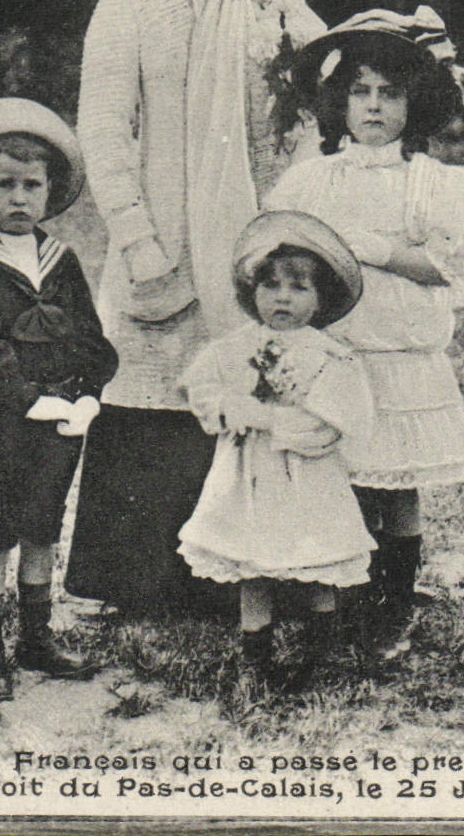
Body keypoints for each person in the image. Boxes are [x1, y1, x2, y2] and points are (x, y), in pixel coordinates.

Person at [66, 0, 326, 613]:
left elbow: (323, 91)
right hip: (168, 230)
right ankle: (141, 580)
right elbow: (104, 131)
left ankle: (252, 571)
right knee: (156, 385)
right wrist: (139, 238)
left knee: (254, 376)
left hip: (253, 228)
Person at [265, 7, 464, 661]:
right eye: (360, 92)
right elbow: (280, 255)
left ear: (412, 103)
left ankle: (395, 600)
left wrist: (374, 249)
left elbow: (443, 266)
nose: (373, 107)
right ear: (338, 102)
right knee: (338, 476)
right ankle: (337, 596)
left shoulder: (429, 184)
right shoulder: (312, 181)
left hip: (397, 354)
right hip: (335, 355)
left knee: (396, 481)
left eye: (388, 94)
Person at [0, 99, 120, 702]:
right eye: (4, 185)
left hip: (63, 420)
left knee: (43, 527)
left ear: (51, 192)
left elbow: (90, 334)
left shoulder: (61, 260)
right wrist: (27, 399)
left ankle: (36, 639)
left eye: (32, 186)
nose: (19, 198)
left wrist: (89, 393)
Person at [176, 211, 374, 691]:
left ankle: (322, 652)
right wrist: (229, 405)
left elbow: (333, 422)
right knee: (253, 559)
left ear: (321, 297)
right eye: (271, 285)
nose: (282, 296)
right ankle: (255, 655)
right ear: (253, 291)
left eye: (299, 287)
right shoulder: (234, 347)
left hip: (307, 474)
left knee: (319, 557)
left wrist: (274, 419)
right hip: (250, 474)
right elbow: (198, 386)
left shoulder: (330, 356)